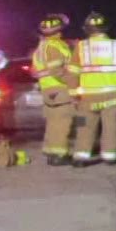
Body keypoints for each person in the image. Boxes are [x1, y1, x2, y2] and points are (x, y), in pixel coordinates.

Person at [71, 10, 116, 166]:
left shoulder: (81, 47)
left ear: (86, 29)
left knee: (84, 126)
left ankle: (81, 157)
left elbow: (72, 72)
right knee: (111, 127)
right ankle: (109, 156)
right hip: (112, 96)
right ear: (106, 28)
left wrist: (73, 94)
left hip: (86, 98)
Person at [29, 13, 78, 166]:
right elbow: (57, 71)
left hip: (49, 89)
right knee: (62, 123)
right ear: (59, 30)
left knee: (53, 122)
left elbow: (34, 71)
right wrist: (73, 84)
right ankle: (59, 155)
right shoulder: (55, 46)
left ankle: (51, 151)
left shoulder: (41, 47)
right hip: (59, 88)